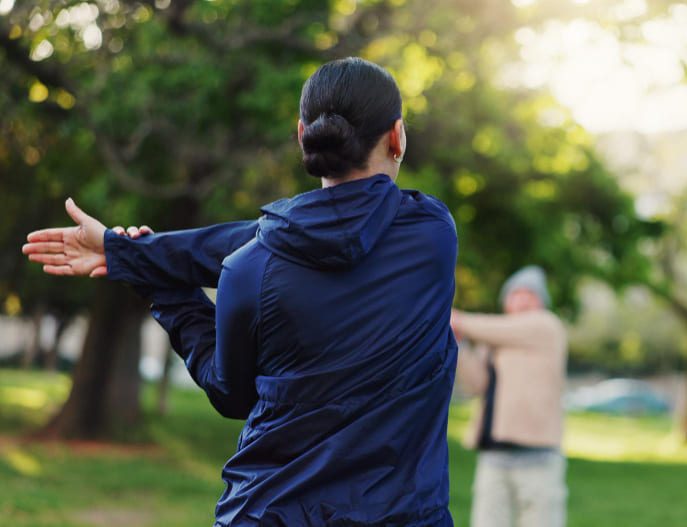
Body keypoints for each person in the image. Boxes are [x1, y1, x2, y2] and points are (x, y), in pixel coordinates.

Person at [23, 57, 459, 526]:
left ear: (302, 135)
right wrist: (134, 254)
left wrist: (151, 274)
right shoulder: (433, 235)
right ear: (397, 137)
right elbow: (269, 238)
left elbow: (232, 392)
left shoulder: (249, 268)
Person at [450, 266, 568, 527]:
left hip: (537, 457)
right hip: (494, 454)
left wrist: (453, 318)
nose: (522, 300)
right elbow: (477, 385)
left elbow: (488, 327)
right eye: (516, 293)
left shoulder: (546, 326)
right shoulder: (492, 340)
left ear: (541, 302)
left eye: (530, 294)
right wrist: (459, 344)